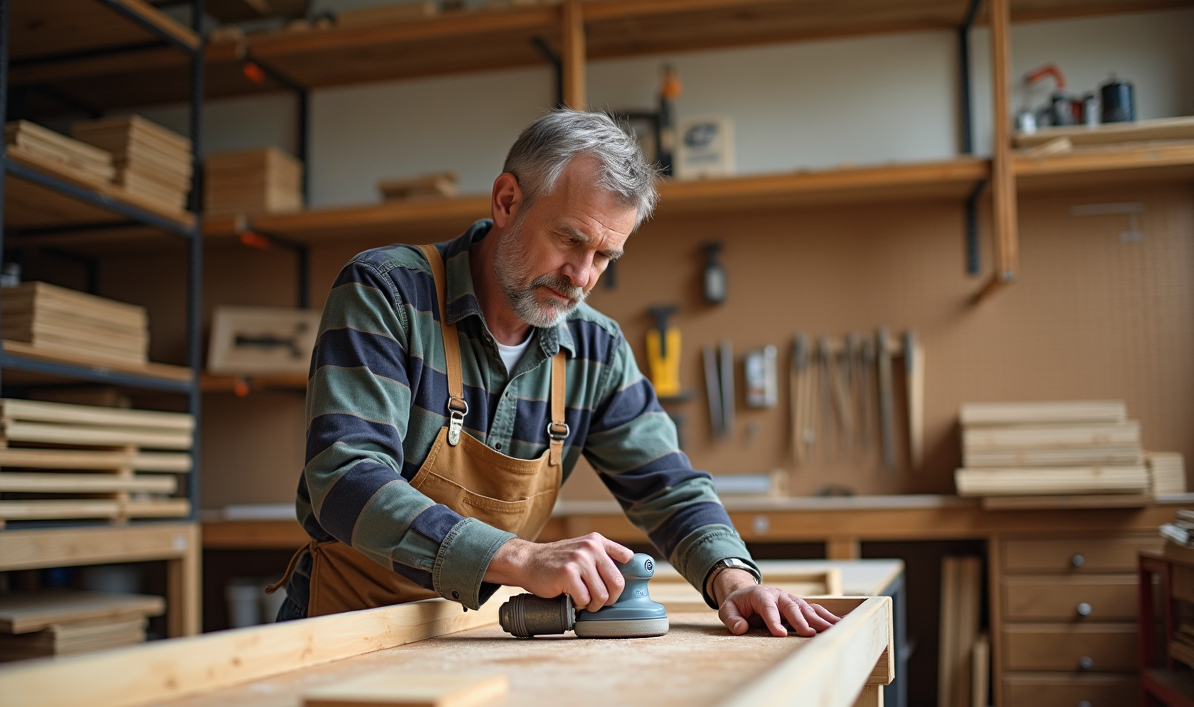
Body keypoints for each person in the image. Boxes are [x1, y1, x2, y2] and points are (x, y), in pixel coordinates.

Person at [272, 109, 839, 638]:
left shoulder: (596, 348)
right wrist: (522, 558)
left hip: (475, 634)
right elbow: (345, 477)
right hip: (345, 630)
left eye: (604, 257)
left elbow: (668, 487)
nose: (581, 276)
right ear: (507, 201)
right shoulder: (386, 291)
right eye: (570, 239)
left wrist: (734, 583)